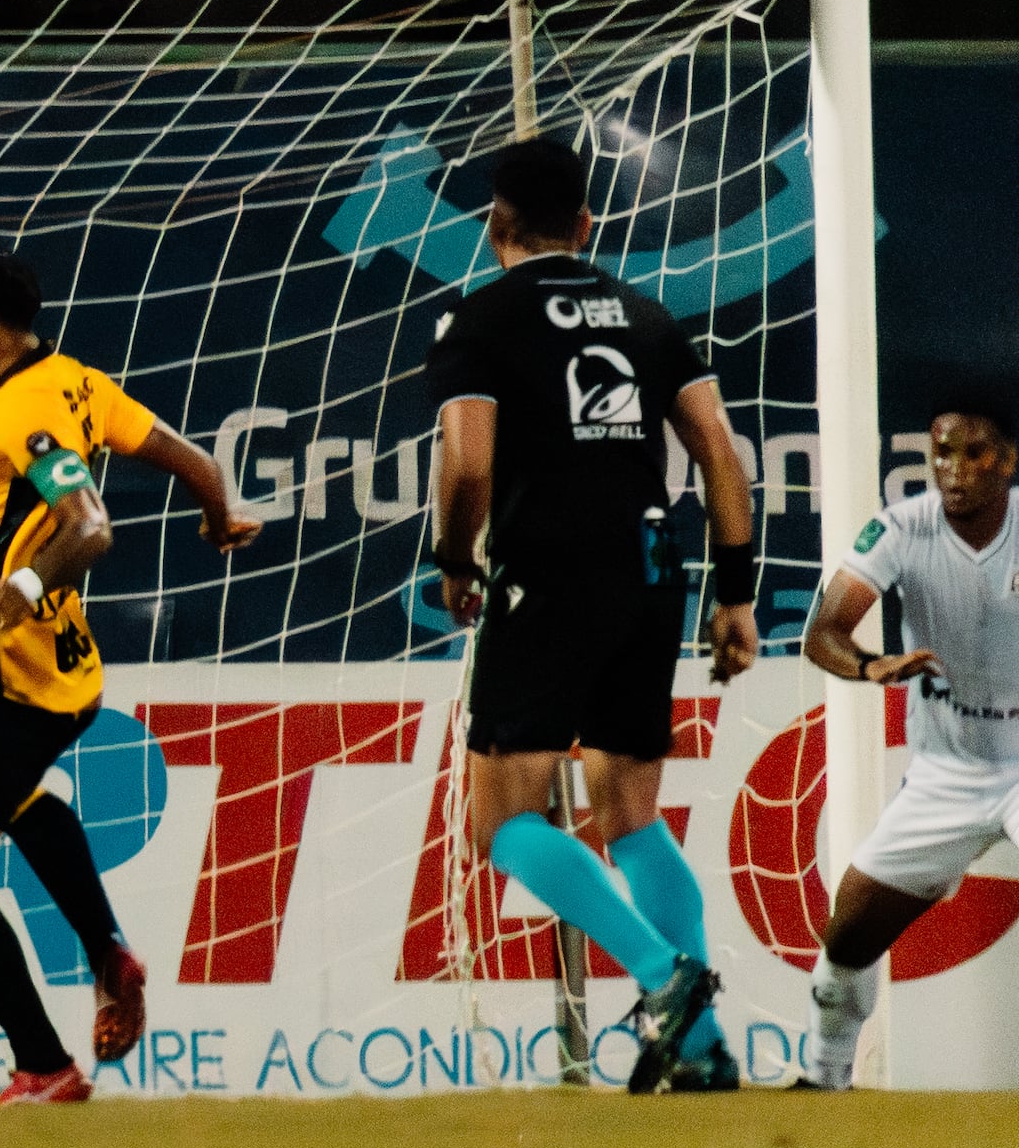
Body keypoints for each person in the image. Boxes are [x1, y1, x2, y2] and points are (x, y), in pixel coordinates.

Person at [424, 131, 764, 1092]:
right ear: (585, 222)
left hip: (551, 572)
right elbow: (720, 455)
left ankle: (666, 977)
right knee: (630, 809)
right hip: (652, 571)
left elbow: (471, 463)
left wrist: (453, 555)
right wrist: (734, 591)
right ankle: (698, 1052)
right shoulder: (648, 317)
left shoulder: (479, 321)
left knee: (502, 821)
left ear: (495, 224)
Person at [0, 248, 260, 1106]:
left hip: (8, 679)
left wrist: (23, 585)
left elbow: (89, 525)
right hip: (60, 675)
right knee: (3, 800)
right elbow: (198, 461)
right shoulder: (77, 381)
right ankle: (107, 951)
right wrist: (217, 512)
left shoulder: (18, 406)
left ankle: (44, 1063)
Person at [780, 390, 1018, 1090]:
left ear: (1006, 460)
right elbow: (823, 630)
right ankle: (825, 1080)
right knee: (850, 930)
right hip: (949, 769)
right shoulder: (900, 528)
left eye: (973, 451)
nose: (953, 468)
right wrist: (870, 664)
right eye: (941, 451)